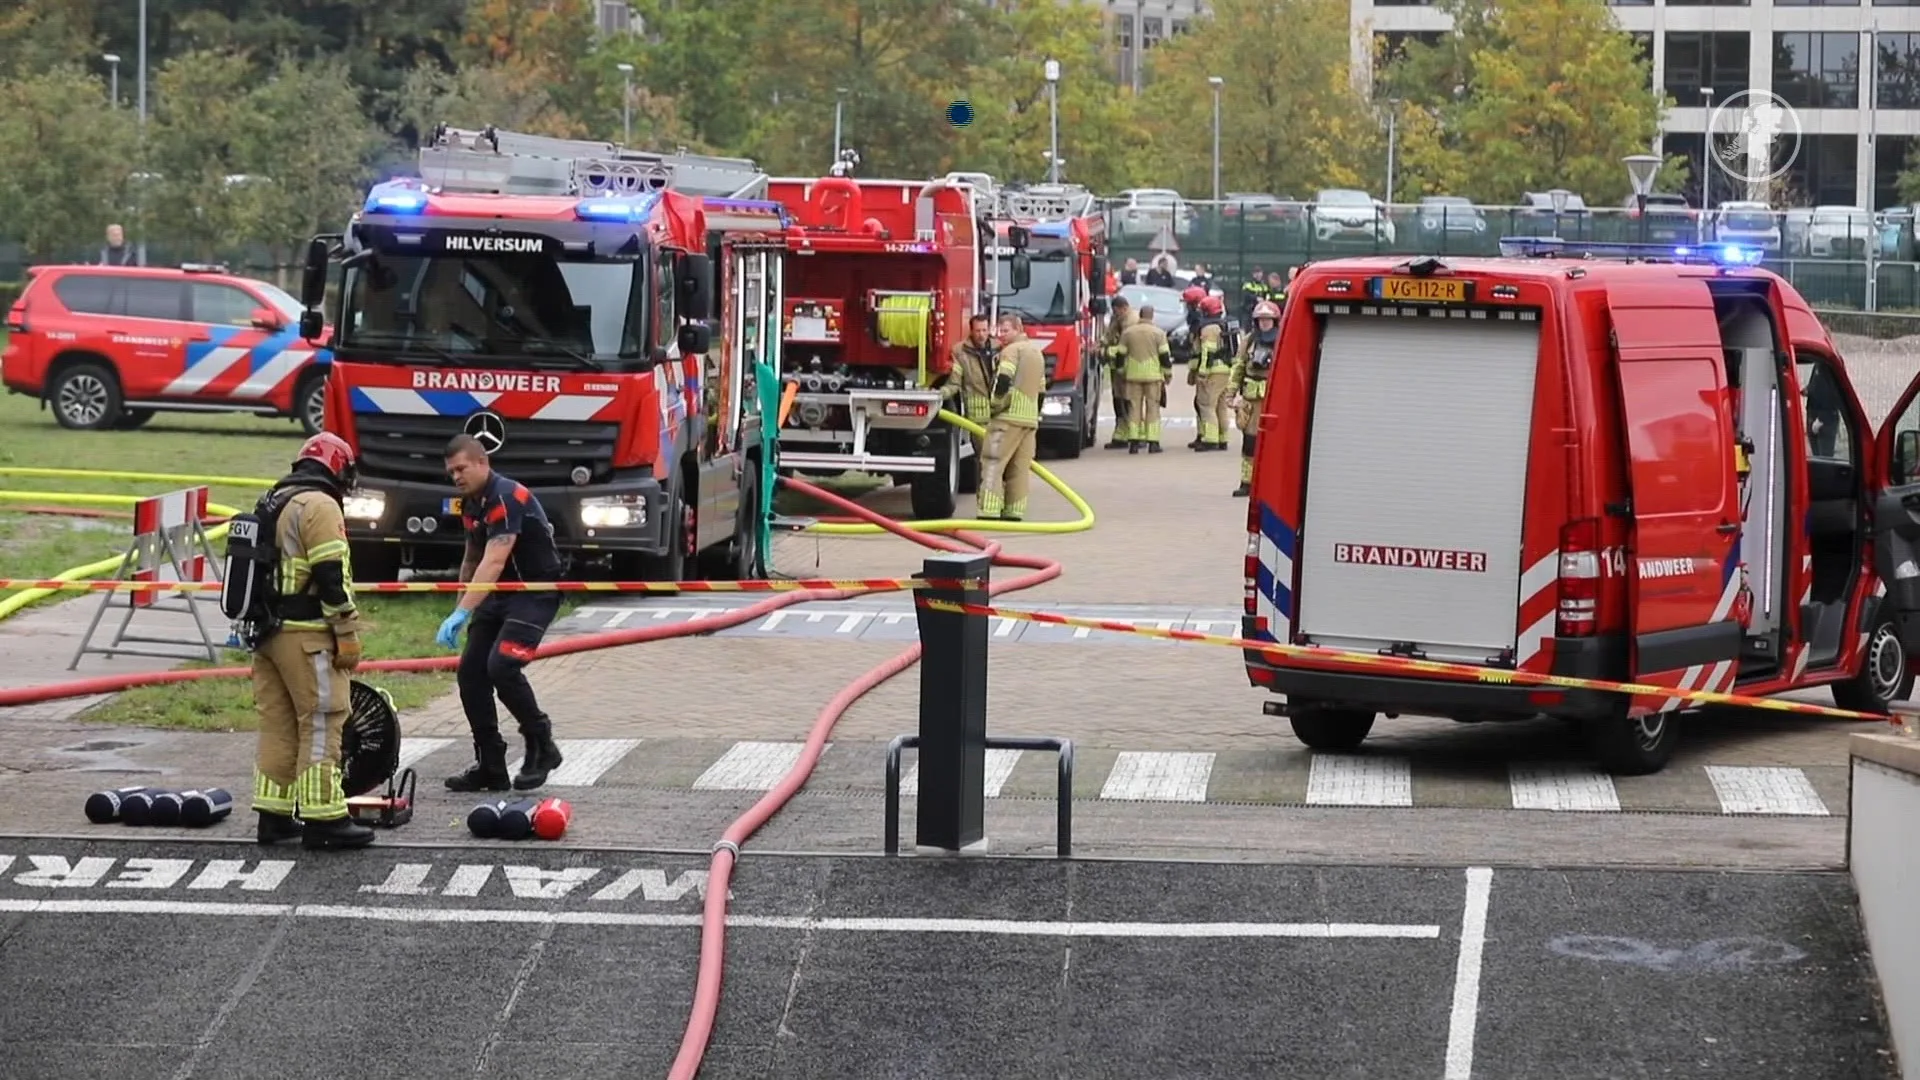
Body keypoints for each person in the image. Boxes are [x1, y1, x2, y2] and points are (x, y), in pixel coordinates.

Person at [249, 432, 374, 850]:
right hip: (308, 637)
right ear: (337, 468)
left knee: (279, 724)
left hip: (268, 635)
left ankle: (274, 815)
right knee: (322, 720)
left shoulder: (272, 500)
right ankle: (325, 819)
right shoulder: (319, 505)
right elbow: (330, 575)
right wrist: (346, 632)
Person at [438, 434, 568, 792]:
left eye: (461, 469)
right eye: (451, 473)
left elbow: (496, 558)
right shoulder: (470, 503)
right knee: (471, 674)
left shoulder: (508, 497)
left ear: (482, 463)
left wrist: (465, 611)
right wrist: (459, 607)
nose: (456, 477)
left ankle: (542, 744)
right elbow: (473, 557)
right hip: (496, 595)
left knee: (503, 666)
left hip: (533, 593)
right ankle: (490, 764)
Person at [977, 312, 1046, 520]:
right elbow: (1042, 390)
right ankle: (1014, 511)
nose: (1001, 335)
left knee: (993, 462)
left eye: (1006, 330)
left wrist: (996, 405)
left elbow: (1004, 379)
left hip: (1008, 418)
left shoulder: (1010, 352)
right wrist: (1035, 414)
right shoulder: (1037, 353)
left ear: (1018, 329)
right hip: (1029, 420)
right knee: (1019, 468)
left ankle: (988, 510)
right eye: (1000, 330)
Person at [1229, 300, 1282, 496]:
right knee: (1250, 442)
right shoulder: (1249, 341)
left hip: (1274, 400)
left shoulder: (1283, 340)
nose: (1264, 324)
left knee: (1273, 444)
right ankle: (1247, 483)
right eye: (1261, 320)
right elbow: (1238, 367)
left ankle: (1269, 483)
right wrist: (1231, 393)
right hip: (1251, 400)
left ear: (1275, 321)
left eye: (1268, 320)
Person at [1118, 303, 1173, 453]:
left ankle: (1134, 442)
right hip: (1153, 376)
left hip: (1133, 376)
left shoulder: (1128, 333)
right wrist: (1167, 374)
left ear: (1140, 315)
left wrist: (1122, 372)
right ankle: (1153, 442)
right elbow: (1165, 357)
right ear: (1152, 316)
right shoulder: (1159, 333)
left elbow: (1120, 355)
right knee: (1153, 408)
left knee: (1134, 408)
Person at [944, 313, 997, 459]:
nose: (981, 335)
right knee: (984, 458)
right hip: (978, 418)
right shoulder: (960, 352)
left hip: (999, 415)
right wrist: (940, 393)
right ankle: (984, 482)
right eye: (978, 331)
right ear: (971, 331)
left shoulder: (999, 348)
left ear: (989, 329)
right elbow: (955, 382)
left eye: (984, 330)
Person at [1187, 294, 1235, 452]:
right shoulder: (1224, 325)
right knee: (1220, 406)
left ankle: (1210, 439)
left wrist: (1202, 373)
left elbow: (1207, 352)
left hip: (1213, 371)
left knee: (1206, 405)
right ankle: (1223, 439)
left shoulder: (1208, 328)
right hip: (1226, 370)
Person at [1100, 295, 1137, 449]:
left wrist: (1106, 351)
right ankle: (1121, 434)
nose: (1115, 314)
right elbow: (1109, 334)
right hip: (1119, 369)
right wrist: (1101, 344)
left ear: (1124, 308)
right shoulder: (1119, 319)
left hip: (1128, 368)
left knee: (1128, 402)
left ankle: (1132, 434)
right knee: (1119, 401)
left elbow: (1126, 348)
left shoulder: (1131, 323)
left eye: (1117, 311)